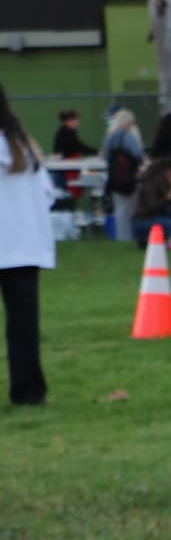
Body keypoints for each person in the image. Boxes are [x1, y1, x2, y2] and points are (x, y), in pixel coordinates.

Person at [0, 84, 54, 407]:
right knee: (23, 327)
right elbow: (46, 195)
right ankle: (29, 391)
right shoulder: (25, 147)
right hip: (24, 246)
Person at [102, 108, 145, 245]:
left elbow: (105, 155)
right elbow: (138, 154)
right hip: (129, 176)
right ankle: (131, 234)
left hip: (114, 176)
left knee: (119, 208)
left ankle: (121, 236)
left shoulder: (109, 137)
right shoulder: (128, 137)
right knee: (131, 207)